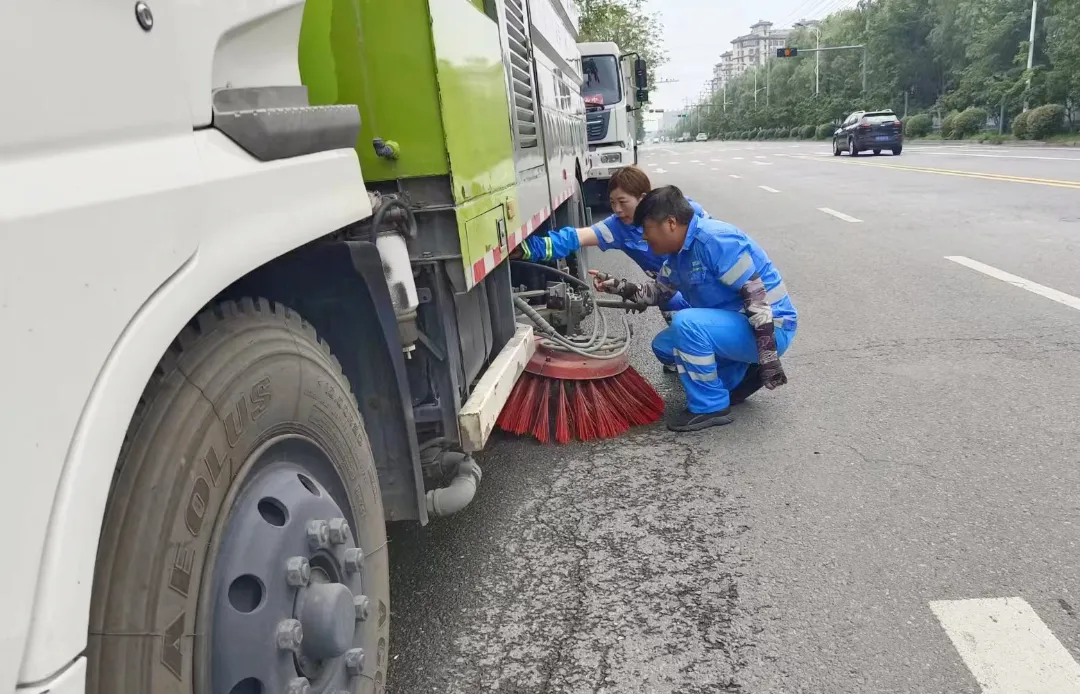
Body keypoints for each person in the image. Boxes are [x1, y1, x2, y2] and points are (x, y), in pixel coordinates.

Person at [593, 186, 797, 432]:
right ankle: (738, 377)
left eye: (646, 229)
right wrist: (617, 286)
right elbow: (657, 293)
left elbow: (756, 298)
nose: (644, 238)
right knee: (665, 346)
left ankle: (710, 406)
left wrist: (768, 359)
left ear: (670, 223)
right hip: (738, 325)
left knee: (686, 324)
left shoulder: (715, 240)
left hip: (770, 329)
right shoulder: (677, 257)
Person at [515, 166, 709, 315]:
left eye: (622, 202)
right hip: (669, 290)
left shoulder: (684, 211)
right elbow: (575, 237)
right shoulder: (617, 227)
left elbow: (717, 246)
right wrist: (528, 249)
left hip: (708, 285)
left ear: (642, 198)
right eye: (612, 203)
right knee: (673, 331)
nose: (616, 209)